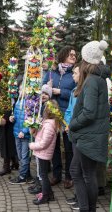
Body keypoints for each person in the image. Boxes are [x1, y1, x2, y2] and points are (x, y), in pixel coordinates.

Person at [68, 40, 110, 212]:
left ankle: (87, 208)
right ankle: (86, 208)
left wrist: (73, 124)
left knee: (85, 174)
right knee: (80, 172)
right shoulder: (98, 78)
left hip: (87, 135)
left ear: (86, 59)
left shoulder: (92, 80)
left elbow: (89, 112)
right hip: (90, 134)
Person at [43, 46, 77, 188]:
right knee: (53, 145)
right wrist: (46, 92)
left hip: (67, 114)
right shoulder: (52, 72)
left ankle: (69, 176)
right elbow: (43, 86)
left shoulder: (75, 73)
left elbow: (77, 93)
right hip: (51, 113)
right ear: (63, 56)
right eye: (71, 55)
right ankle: (56, 174)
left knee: (68, 146)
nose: (74, 57)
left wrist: (59, 91)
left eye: (75, 55)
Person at [29, 100, 61, 205]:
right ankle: (49, 194)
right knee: (43, 174)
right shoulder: (47, 123)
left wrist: (32, 145)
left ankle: (45, 195)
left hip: (43, 153)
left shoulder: (49, 125)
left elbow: (43, 144)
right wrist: (34, 132)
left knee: (43, 175)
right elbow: (40, 137)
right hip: (41, 152)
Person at [28, 84, 53, 195]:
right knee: (39, 166)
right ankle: (39, 184)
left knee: (42, 169)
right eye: (42, 93)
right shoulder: (37, 105)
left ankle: (43, 188)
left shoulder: (49, 108)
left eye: (46, 94)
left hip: (42, 143)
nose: (43, 95)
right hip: (38, 137)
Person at [9, 80, 32, 184]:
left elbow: (31, 119)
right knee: (20, 156)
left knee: (24, 156)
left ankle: (22, 176)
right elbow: (18, 117)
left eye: (21, 88)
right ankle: (28, 175)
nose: (19, 90)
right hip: (17, 132)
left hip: (24, 134)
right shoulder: (18, 101)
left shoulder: (30, 102)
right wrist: (12, 118)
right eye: (19, 89)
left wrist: (24, 131)